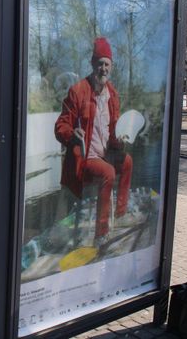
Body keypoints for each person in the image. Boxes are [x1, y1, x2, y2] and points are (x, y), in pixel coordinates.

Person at [54, 37, 133, 249]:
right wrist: (72, 134)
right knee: (108, 172)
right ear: (92, 64)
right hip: (85, 157)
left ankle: (122, 213)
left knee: (126, 162)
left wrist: (122, 138)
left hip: (105, 152)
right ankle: (101, 234)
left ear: (112, 67)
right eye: (100, 63)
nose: (103, 68)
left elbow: (113, 129)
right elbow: (61, 126)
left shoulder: (113, 94)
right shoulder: (78, 90)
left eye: (107, 64)